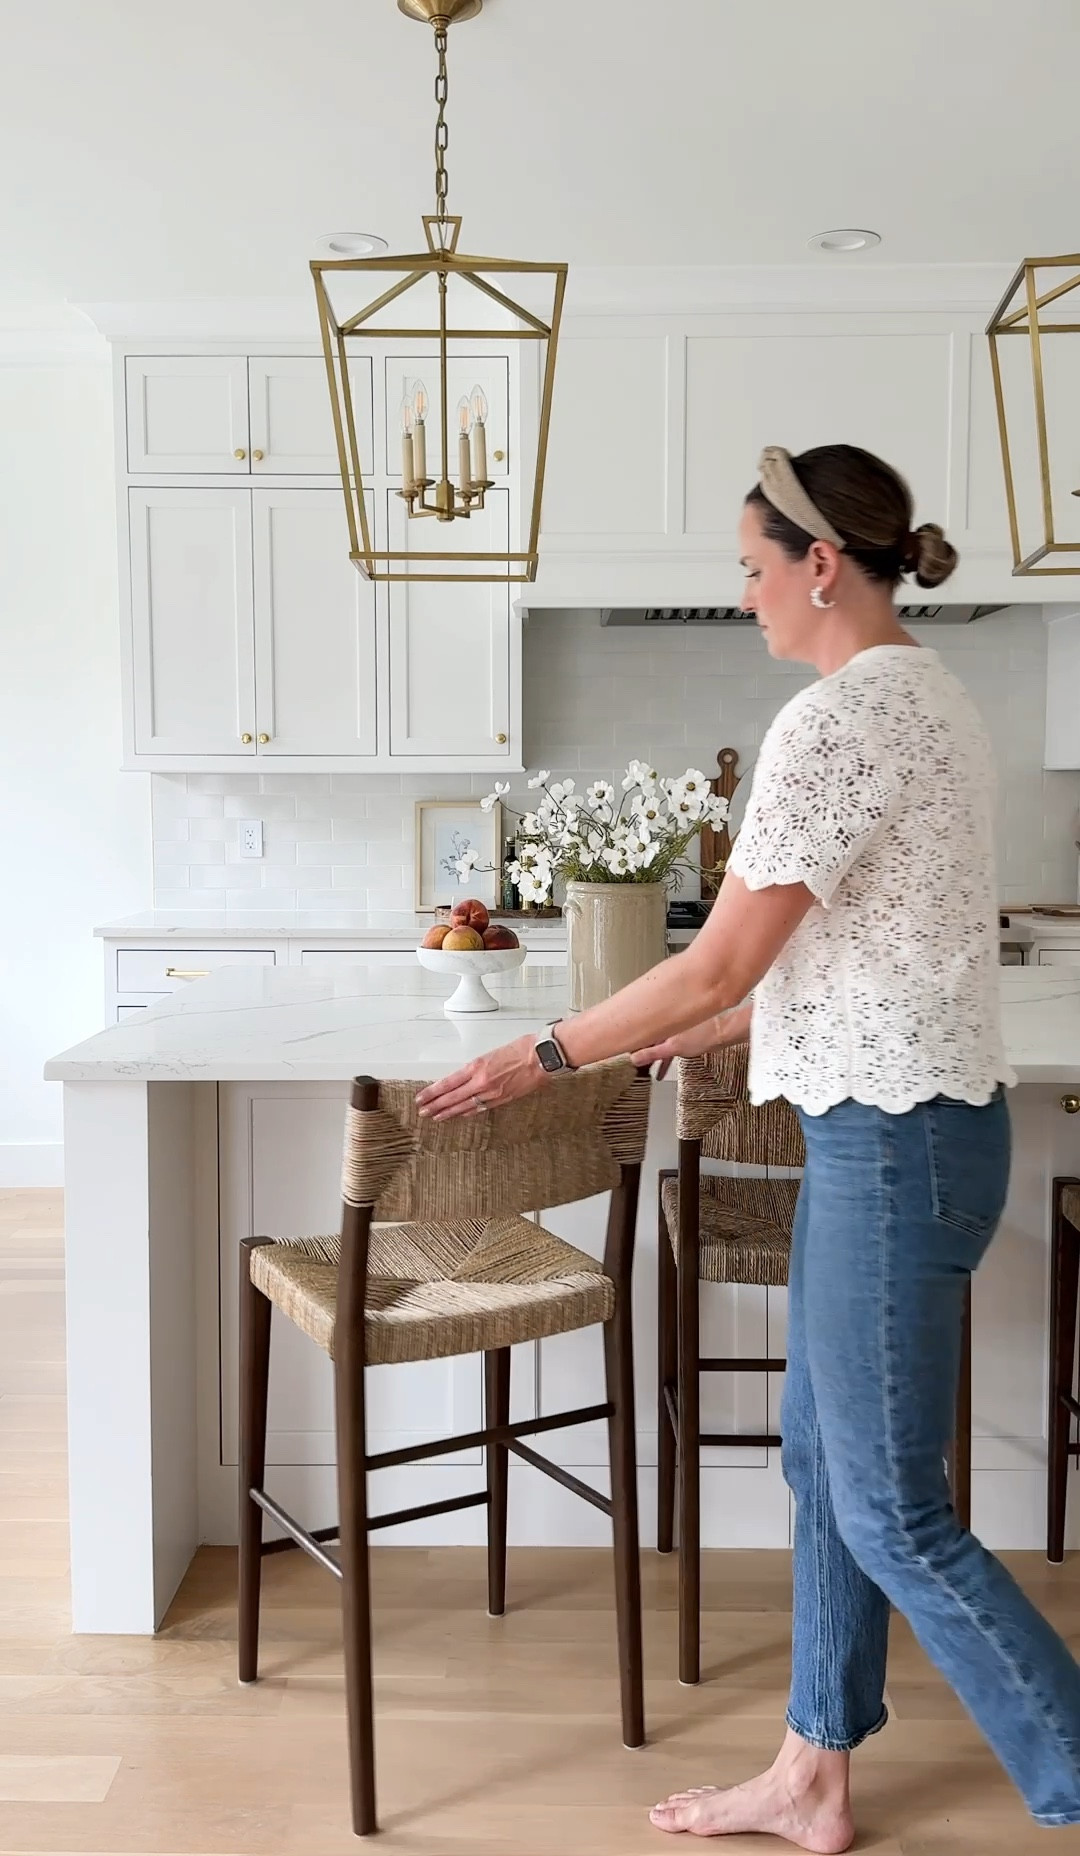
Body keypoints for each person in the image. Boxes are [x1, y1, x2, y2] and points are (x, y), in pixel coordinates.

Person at [417, 443, 1080, 1845]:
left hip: (889, 1148)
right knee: (826, 1471)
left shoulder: (835, 723)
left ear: (822, 564)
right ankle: (812, 1774)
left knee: (895, 1511)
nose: (745, 595)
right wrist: (713, 1029)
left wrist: (541, 1054)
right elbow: (852, 944)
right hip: (922, 1133)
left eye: (753, 566)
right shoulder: (935, 701)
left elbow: (718, 962)